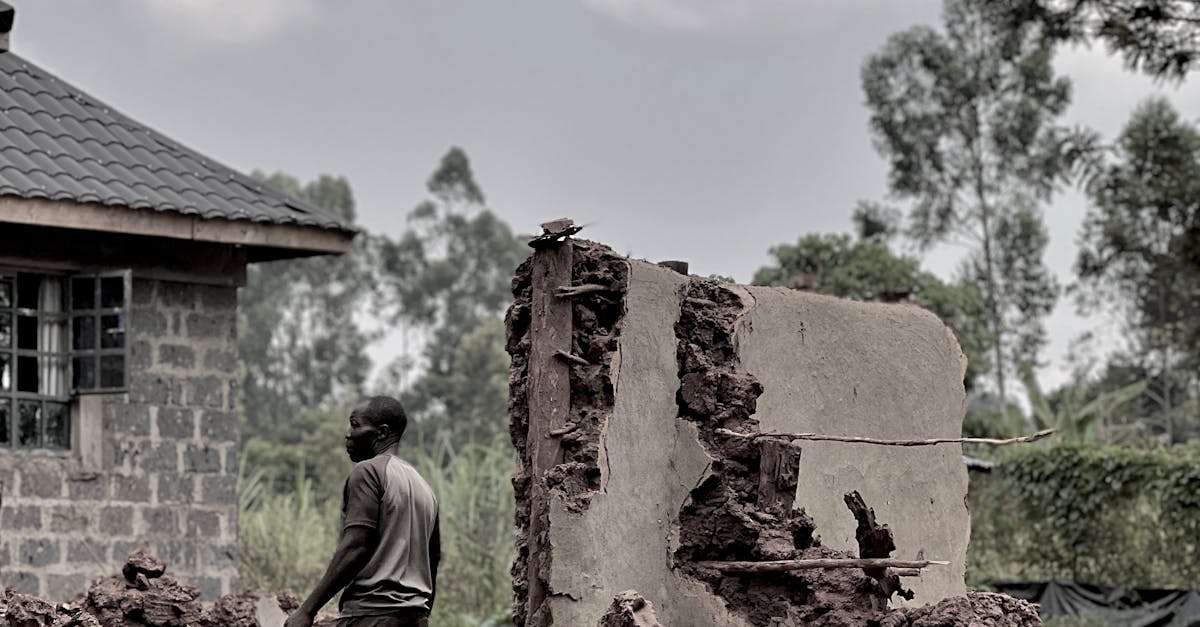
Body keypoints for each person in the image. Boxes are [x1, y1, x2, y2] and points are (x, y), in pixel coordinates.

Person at [285, 396, 440, 627]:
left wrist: (306, 611)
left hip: (371, 615)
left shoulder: (368, 471)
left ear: (381, 432)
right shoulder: (424, 488)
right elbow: (432, 561)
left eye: (355, 425)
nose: (348, 434)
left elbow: (356, 546)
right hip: (414, 618)